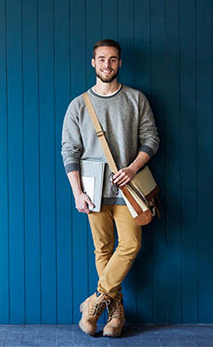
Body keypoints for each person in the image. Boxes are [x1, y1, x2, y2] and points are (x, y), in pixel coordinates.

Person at [61, 39, 159, 337]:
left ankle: (94, 303)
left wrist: (133, 167)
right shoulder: (79, 105)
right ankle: (116, 315)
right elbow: (70, 151)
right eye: (101, 59)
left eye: (113, 59)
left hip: (128, 189)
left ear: (120, 63)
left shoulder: (136, 99)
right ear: (93, 63)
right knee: (102, 249)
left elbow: (151, 139)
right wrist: (77, 192)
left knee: (130, 244)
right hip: (92, 190)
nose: (107, 65)